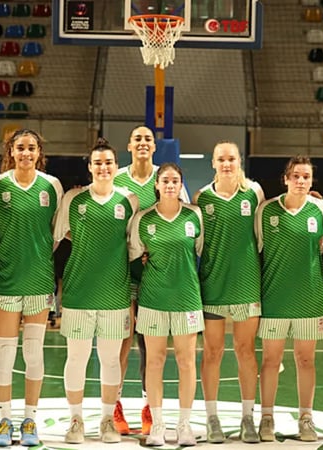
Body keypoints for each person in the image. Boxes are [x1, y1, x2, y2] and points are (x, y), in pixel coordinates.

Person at [0, 129, 63, 447]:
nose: (26, 153)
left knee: (33, 351)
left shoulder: (52, 185)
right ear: (11, 152)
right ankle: (4, 420)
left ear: (39, 152)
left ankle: (30, 420)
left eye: (31, 148)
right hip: (6, 281)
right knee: (5, 350)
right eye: (20, 148)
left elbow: (55, 234)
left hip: (39, 281)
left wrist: (37, 253)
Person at [53, 138, 139, 444]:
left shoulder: (129, 201)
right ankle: (75, 420)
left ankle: (107, 420)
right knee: (76, 358)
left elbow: (133, 244)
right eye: (98, 163)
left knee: (111, 360)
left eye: (108, 163)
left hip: (115, 294)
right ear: (90, 167)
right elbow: (60, 235)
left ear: (116, 166)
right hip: (79, 293)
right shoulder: (73, 199)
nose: (103, 168)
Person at [112, 125, 189, 436]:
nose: (143, 143)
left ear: (155, 147)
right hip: (122, 269)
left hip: (157, 274)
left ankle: (148, 406)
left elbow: (184, 216)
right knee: (122, 339)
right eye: (137, 139)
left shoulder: (166, 178)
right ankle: (114, 404)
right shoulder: (116, 178)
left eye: (148, 139)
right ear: (129, 145)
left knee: (149, 344)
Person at [255, 155, 323, 443]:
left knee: (305, 359)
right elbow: (258, 247)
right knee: (271, 360)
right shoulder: (266, 211)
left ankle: (306, 418)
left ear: (312, 181)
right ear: (286, 179)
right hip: (274, 298)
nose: (301, 181)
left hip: (309, 298)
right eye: (296, 176)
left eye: (306, 177)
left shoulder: (319, 209)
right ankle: (266, 418)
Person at [128, 163, 204, 447]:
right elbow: (134, 256)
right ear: (157, 185)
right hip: (153, 299)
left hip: (187, 299)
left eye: (175, 181)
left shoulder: (194, 215)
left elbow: (200, 251)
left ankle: (184, 425)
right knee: (155, 360)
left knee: (186, 361)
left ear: (180, 185)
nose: (170, 185)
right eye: (165, 181)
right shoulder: (143, 219)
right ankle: (157, 425)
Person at [194, 141, 264, 444]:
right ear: (213, 163)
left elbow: (262, 235)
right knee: (212, 353)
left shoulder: (254, 193)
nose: (226, 164)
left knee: (245, 351)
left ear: (239, 161)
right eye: (221, 159)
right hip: (213, 285)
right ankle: (212, 417)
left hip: (246, 285)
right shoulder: (202, 198)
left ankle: (248, 417)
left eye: (231, 159)